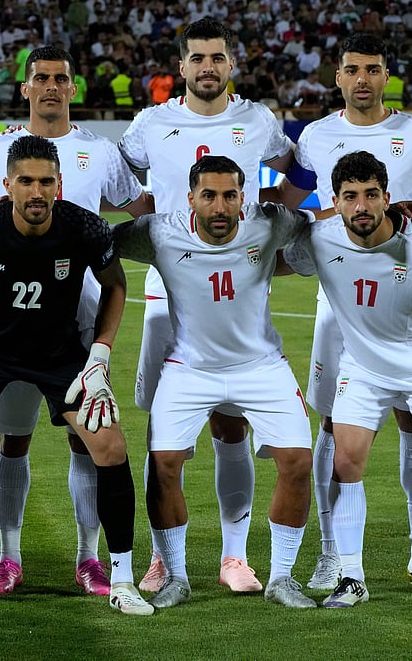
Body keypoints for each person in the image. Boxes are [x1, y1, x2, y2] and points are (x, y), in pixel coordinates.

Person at [0, 135, 153, 618]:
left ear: (59, 184)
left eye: (45, 182)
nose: (36, 192)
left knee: (110, 446)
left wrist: (98, 357)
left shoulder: (85, 227)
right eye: (26, 182)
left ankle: (122, 579)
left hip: (59, 353)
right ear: (7, 184)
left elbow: (115, 285)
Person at [0, 45, 151, 598]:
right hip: (3, 323)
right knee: (14, 440)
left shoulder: (100, 152)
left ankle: (90, 558)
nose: (51, 86)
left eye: (61, 77)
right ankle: (9, 557)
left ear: (73, 88)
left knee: (88, 442)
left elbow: (138, 215)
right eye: (41, 78)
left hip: (75, 324)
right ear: (26, 87)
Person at [117, 16, 299, 595]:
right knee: (163, 434)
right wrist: (158, 230)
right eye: (197, 58)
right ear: (182, 66)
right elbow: (124, 187)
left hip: (238, 289)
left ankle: (235, 557)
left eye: (217, 57)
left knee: (232, 425)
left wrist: (264, 220)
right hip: (166, 288)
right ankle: (160, 557)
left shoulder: (257, 120)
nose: (207, 67)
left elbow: (298, 173)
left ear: (231, 64)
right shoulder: (151, 123)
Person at [278, 32, 412, 592]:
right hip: (338, 304)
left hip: (409, 302)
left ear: (387, 76)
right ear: (337, 76)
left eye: (373, 69)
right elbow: (285, 206)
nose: (362, 79)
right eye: (352, 69)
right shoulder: (315, 137)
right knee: (334, 428)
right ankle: (334, 554)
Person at [113, 155, 317, 610]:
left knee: (298, 462)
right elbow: (99, 242)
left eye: (230, 196)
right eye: (209, 195)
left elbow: (320, 225)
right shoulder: (160, 232)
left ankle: (283, 577)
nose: (220, 206)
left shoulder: (268, 224)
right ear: (191, 199)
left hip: (261, 366)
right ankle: (176, 576)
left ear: (244, 198)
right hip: (189, 368)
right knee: (163, 463)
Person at [284, 150, 412, 612]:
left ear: (387, 197)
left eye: (371, 195)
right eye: (350, 197)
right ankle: (351, 577)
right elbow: (274, 259)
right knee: (345, 462)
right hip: (363, 369)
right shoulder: (320, 239)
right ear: (335, 201)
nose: (361, 207)